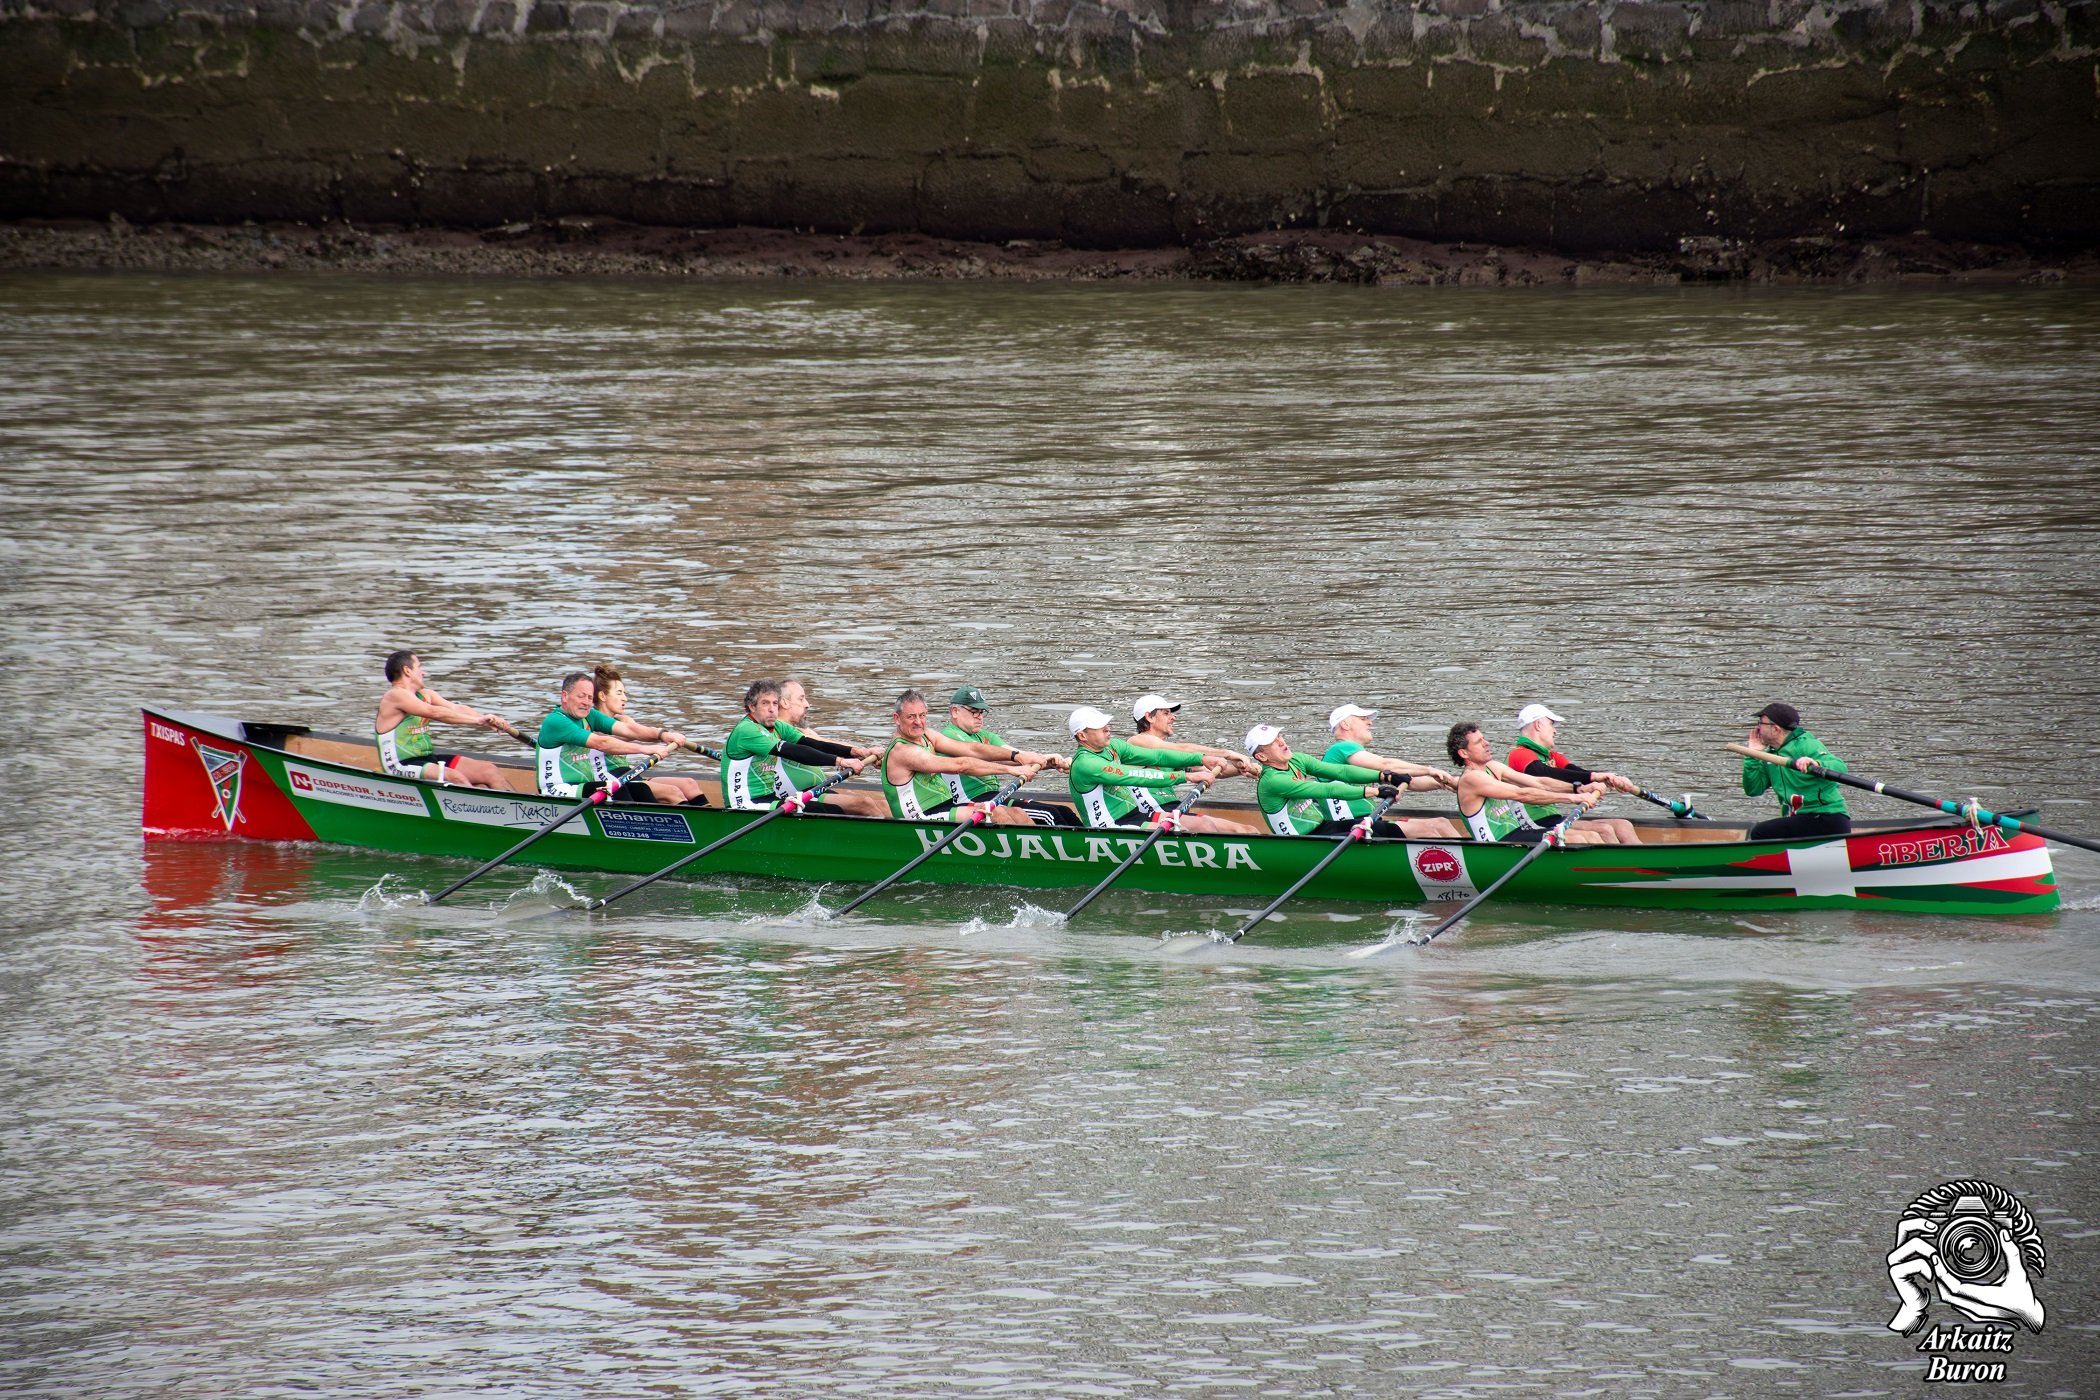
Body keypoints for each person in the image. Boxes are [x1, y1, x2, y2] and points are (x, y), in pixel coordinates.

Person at [880, 689, 1057, 824]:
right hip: (920, 817)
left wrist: (1016, 756)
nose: (918, 722)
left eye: (922, 715)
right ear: (897, 718)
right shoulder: (903, 751)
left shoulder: (927, 735)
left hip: (946, 806)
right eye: (911, 717)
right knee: (995, 813)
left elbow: (971, 750)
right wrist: (1011, 769)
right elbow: (961, 765)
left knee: (1017, 813)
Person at [1245, 723, 1451, 837]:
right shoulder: (1273, 781)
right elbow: (1326, 791)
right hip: (1303, 843)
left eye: (1279, 736)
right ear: (1262, 757)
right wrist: (1376, 792)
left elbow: (1342, 772)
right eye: (1273, 742)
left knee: (1418, 827)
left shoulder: (1297, 759)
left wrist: (1384, 776)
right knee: (1380, 836)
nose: (1281, 742)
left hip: (1325, 827)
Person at [1065, 706, 1244, 834]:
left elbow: (1159, 756)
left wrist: (1201, 758)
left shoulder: (1114, 746)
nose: (1107, 728)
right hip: (1108, 827)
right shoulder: (1086, 764)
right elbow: (1138, 776)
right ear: (1082, 736)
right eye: (1099, 726)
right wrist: (1187, 776)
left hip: (1136, 815)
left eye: (1105, 723)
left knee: (1204, 825)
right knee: (1177, 832)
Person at [722, 679, 873, 814]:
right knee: (821, 813)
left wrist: (854, 752)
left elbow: (812, 744)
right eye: (765, 703)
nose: (772, 709)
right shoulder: (747, 730)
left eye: (775, 703)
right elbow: (793, 751)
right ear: (752, 707)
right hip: (745, 805)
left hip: (769, 799)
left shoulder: (778, 726)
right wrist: (840, 761)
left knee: (831, 811)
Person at [1445, 721, 1609, 844]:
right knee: (1578, 838)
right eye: (1479, 742)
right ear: (1464, 753)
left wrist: (1578, 789)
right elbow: (1521, 794)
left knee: (1591, 836)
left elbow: (1539, 782)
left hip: (1518, 834)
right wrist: (1571, 798)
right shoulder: (1472, 779)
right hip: (1498, 845)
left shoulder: (1493, 767)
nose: (1486, 743)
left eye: (1484, 739)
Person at [942, 685, 1080, 827]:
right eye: (974, 711)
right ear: (955, 712)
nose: (980, 717)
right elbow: (984, 754)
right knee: (1049, 814)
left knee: (1064, 811)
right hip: (970, 800)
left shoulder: (985, 735)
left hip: (994, 796)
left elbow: (1019, 756)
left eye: (982, 712)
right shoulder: (949, 736)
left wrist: (1047, 761)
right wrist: (1025, 759)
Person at [1504, 703, 1642, 844]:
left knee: (1623, 825)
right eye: (1552, 724)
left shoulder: (1552, 757)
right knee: (1604, 829)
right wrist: (1593, 778)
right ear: (1538, 725)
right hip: (1531, 822)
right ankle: (1620, 866)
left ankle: (1642, 863)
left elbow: (1577, 773)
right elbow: (1544, 773)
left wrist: (1611, 778)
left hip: (1552, 817)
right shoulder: (1518, 754)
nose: (1555, 731)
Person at [1322, 703, 1465, 839]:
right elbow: (1385, 764)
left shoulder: (1356, 758)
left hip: (1368, 822)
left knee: (1442, 823)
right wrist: (1428, 769)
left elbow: (1410, 781)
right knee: (1436, 827)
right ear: (1345, 724)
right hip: (1351, 827)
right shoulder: (1340, 749)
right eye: (1363, 719)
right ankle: (1473, 860)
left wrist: (1446, 782)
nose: (1369, 723)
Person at [374, 649, 510, 789]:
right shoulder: (395, 696)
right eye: (419, 667)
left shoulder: (426, 695)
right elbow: (434, 712)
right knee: (455, 777)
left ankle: (518, 808)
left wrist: (486, 719)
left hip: (427, 759)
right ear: (407, 671)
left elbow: (456, 708)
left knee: (489, 770)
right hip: (400, 765)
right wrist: (476, 721)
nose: (423, 672)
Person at [536, 671, 676, 801]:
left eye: (590, 697)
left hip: (583, 785)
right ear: (565, 696)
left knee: (639, 789)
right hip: (557, 789)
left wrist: (661, 734)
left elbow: (628, 729)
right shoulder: (556, 721)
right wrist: (645, 749)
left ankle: (652, 823)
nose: (586, 702)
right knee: (616, 790)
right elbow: (601, 743)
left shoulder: (589, 715)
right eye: (581, 696)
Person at [590, 664, 708, 806]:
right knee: (672, 792)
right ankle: (690, 826)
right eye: (619, 693)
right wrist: (647, 745)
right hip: (612, 778)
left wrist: (664, 734)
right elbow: (615, 740)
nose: (625, 699)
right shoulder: (591, 722)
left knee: (689, 784)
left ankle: (715, 822)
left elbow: (636, 731)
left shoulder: (624, 720)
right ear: (602, 696)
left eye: (625, 693)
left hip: (631, 774)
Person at [1127, 692, 1260, 816]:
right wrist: (1227, 754)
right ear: (1149, 717)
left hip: (1170, 809)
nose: (1173, 717)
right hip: (1149, 814)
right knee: (1238, 829)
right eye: (1166, 713)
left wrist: (1242, 769)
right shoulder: (1136, 742)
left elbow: (1213, 770)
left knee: (1243, 828)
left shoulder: (1173, 753)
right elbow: (1183, 748)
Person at [776, 679, 887, 817]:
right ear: (784, 702)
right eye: (801, 699)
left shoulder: (798, 731)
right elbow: (820, 744)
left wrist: (862, 754)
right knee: (866, 803)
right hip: (796, 796)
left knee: (883, 804)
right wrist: (854, 755)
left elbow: (827, 744)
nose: (807, 705)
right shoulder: (774, 730)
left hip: (815, 791)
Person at [1741, 701, 1851, 839]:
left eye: (1761, 723)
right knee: (1765, 831)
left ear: (1775, 729)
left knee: (1760, 832)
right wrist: (1752, 756)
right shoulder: (1770, 755)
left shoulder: (1806, 744)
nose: (1757, 728)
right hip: (1800, 822)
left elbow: (1841, 768)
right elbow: (1753, 789)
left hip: (1826, 818)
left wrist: (1816, 762)